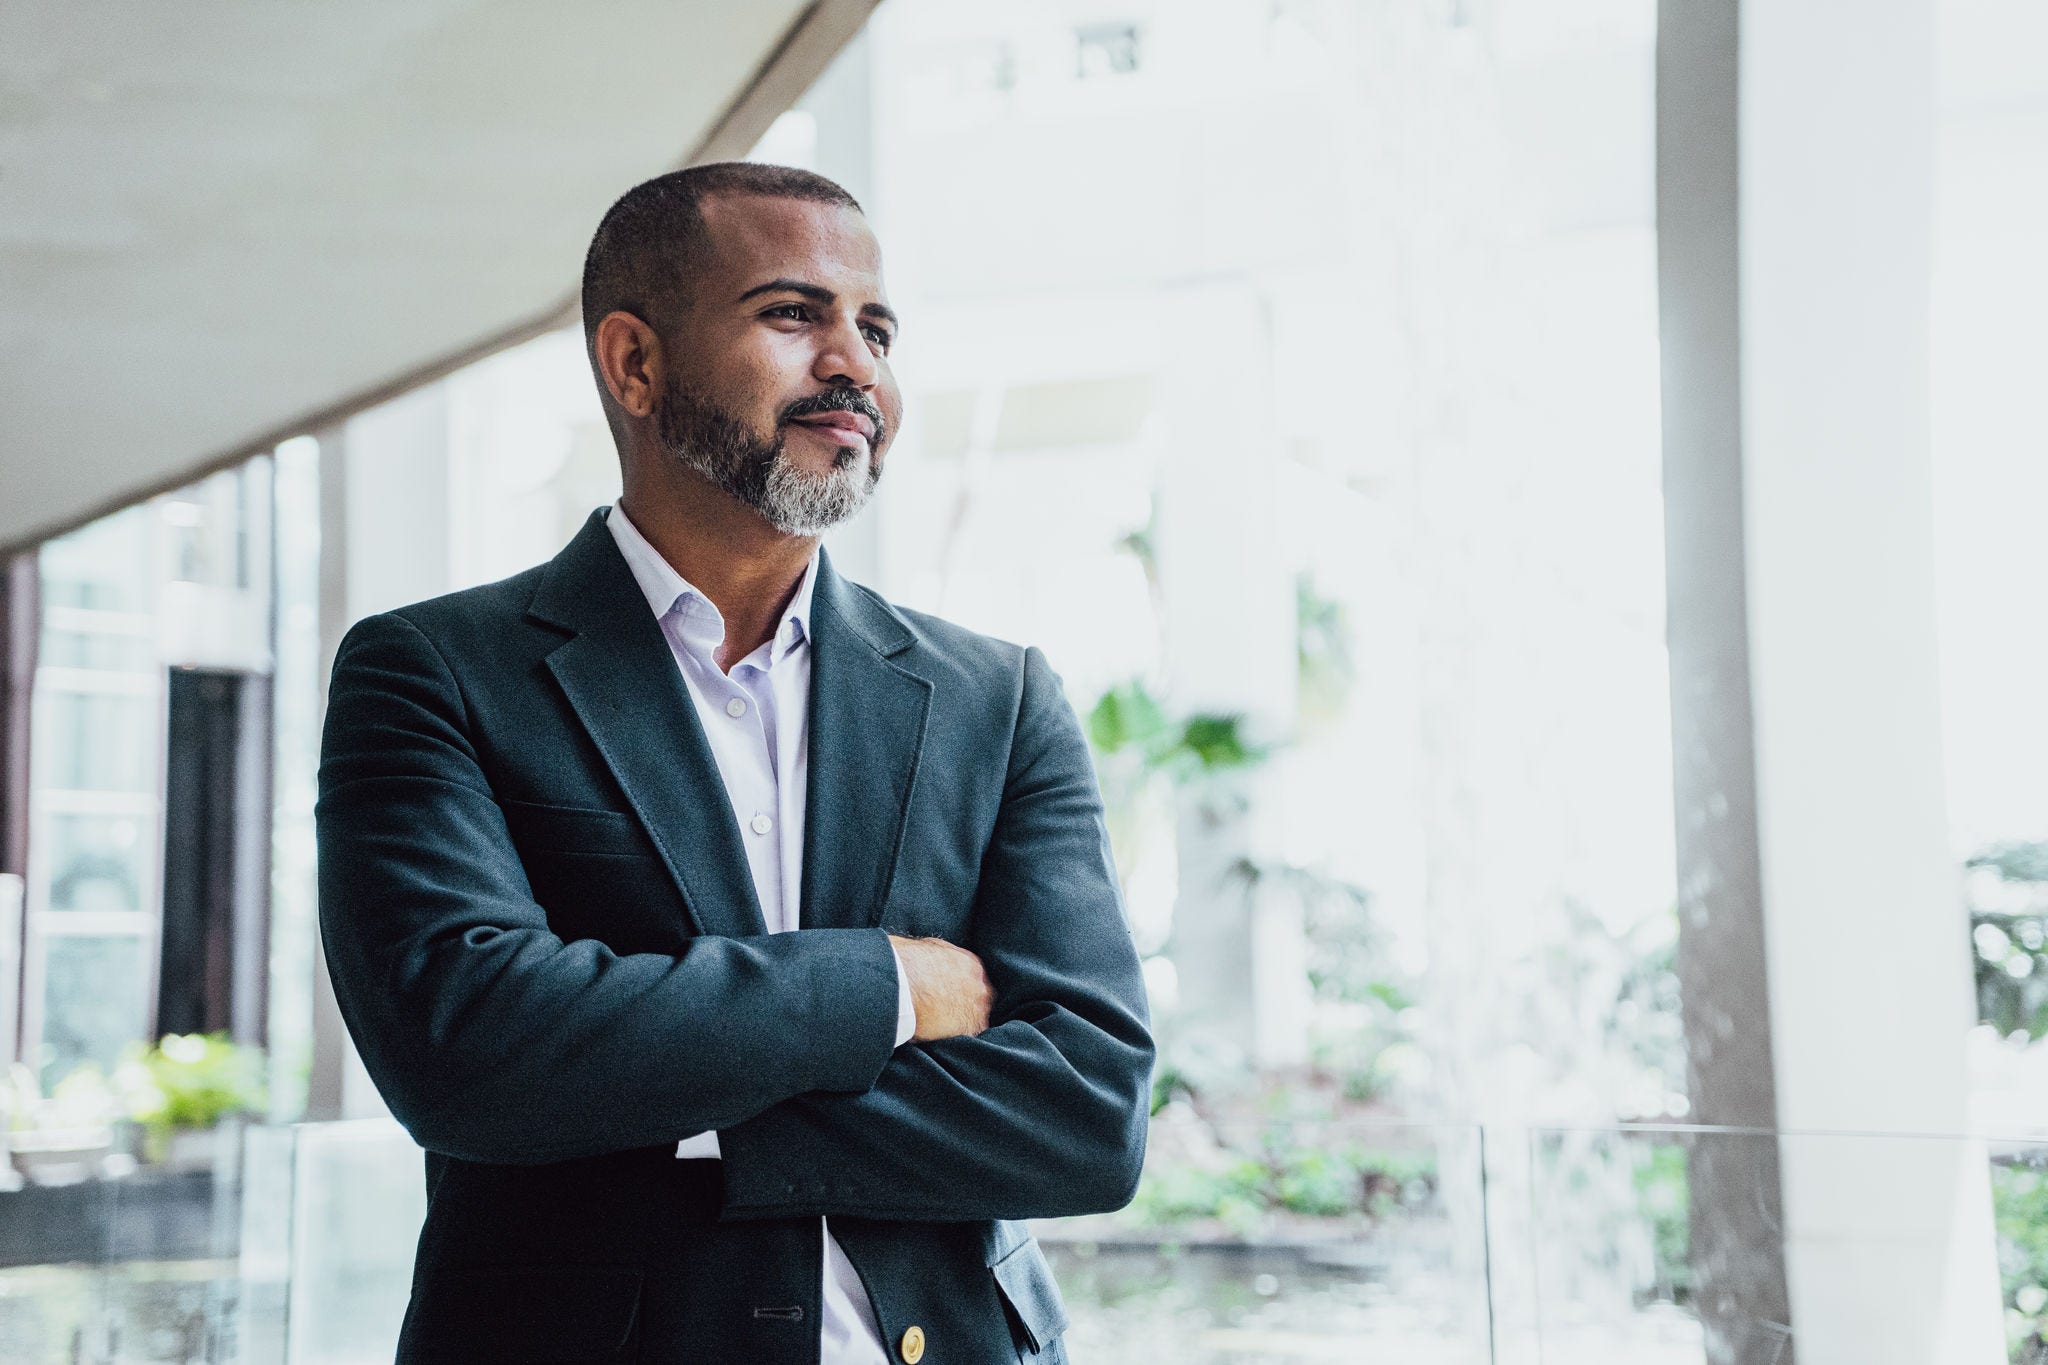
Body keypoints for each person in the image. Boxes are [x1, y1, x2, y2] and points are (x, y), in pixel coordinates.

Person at [316, 161, 1154, 1365]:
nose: (854, 366)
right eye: (791, 314)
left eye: (875, 328)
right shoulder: (436, 672)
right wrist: (888, 991)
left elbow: (1086, 1114)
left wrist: (686, 1117)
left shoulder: (996, 699)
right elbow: (469, 1049)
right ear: (634, 363)